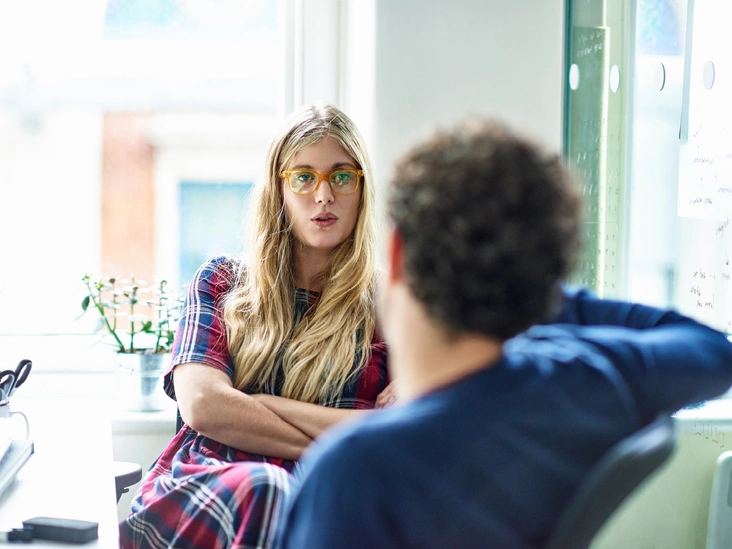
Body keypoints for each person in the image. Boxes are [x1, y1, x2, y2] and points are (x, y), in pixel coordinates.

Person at [278, 118, 732, 548]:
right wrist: (527, 288)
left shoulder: (353, 474)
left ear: (397, 255)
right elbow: (712, 350)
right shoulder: (587, 385)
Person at [119, 102, 391, 549]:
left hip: (325, 506)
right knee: (270, 490)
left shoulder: (391, 305)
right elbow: (203, 405)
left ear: (362, 188)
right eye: (304, 177)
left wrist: (259, 405)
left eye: (342, 176)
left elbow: (396, 436)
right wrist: (336, 439)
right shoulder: (221, 281)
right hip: (209, 488)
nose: (324, 195)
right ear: (278, 189)